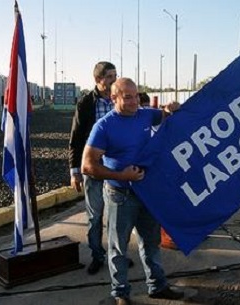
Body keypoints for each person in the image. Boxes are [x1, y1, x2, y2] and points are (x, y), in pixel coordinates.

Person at [82, 78, 184, 304]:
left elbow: (166, 115)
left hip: (147, 193)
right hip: (120, 195)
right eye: (127, 97)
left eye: (136, 95)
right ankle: (120, 294)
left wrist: (170, 108)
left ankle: (157, 286)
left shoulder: (145, 114)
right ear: (114, 98)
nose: (134, 101)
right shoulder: (104, 126)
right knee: (118, 248)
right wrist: (121, 176)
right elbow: (87, 166)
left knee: (151, 242)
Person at [68, 61, 119, 275]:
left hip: (118, 168)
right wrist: (74, 172)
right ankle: (98, 256)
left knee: (118, 216)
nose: (114, 80)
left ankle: (118, 257)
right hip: (94, 169)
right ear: (98, 80)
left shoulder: (120, 98)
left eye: (116, 75)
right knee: (95, 215)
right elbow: (76, 138)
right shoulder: (86, 103)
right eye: (110, 77)